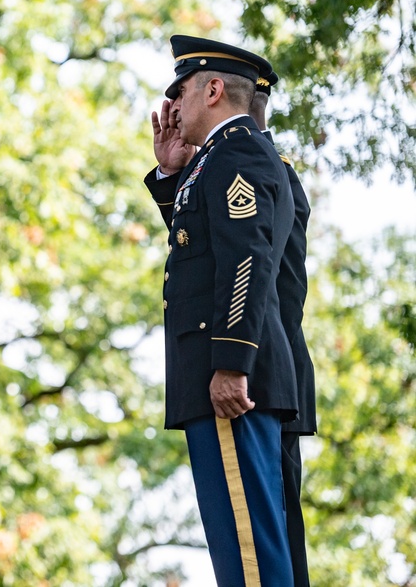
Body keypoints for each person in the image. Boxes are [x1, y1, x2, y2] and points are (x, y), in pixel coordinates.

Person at [143, 35, 299, 586]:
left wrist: (231, 362)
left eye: (180, 93)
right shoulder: (217, 159)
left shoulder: (237, 152)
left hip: (232, 380)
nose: (173, 109)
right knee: (240, 550)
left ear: (212, 90)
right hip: (218, 376)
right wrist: (173, 180)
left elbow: (246, 257)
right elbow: (204, 247)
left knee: (250, 556)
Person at [251, 72, 316, 587]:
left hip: (266, 374)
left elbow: (253, 271)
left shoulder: (260, 166)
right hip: (271, 376)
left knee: (271, 547)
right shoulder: (265, 165)